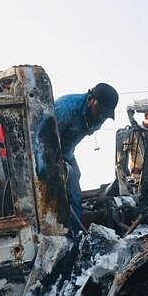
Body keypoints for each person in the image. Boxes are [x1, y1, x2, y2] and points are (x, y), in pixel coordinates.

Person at [55, 83, 119, 227]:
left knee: (75, 180)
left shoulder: (98, 118)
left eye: (106, 115)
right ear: (90, 100)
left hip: (67, 152)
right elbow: (44, 141)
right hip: (46, 151)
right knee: (61, 187)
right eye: (100, 111)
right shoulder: (65, 109)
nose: (102, 117)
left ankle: (75, 231)